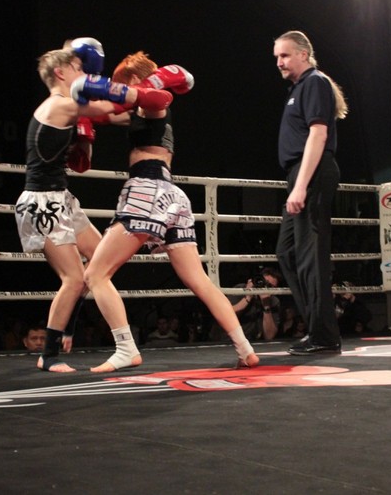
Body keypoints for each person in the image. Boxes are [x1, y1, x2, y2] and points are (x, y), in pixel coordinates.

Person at [77, 51, 259, 372]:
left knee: (95, 274)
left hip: (147, 190)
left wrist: (100, 86)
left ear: (135, 80)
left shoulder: (153, 103)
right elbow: (105, 113)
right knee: (199, 280)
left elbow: (160, 94)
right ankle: (245, 349)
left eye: (123, 84)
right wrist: (81, 116)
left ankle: (126, 348)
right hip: (171, 195)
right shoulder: (139, 110)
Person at [15, 39, 173, 373]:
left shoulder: (68, 106)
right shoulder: (59, 105)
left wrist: (149, 116)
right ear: (61, 73)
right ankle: (49, 354)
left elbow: (116, 117)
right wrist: (150, 87)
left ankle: (70, 329)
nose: (85, 74)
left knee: (97, 262)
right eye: (78, 69)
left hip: (61, 198)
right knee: (73, 278)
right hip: (42, 204)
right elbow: (109, 109)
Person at [272, 30, 348, 355]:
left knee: (310, 256)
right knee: (287, 252)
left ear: (303, 54)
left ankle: (324, 335)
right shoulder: (300, 88)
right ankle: (318, 326)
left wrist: (301, 185)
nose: (279, 62)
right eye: (277, 57)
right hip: (300, 173)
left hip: (311, 173)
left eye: (285, 55)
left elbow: (318, 134)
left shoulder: (314, 82)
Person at [228, 267, 284, 341]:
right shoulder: (240, 289)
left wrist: (266, 306)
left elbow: (269, 336)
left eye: (270, 286)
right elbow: (226, 318)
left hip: (255, 342)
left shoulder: (273, 301)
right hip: (229, 339)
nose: (265, 287)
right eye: (263, 282)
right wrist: (247, 298)